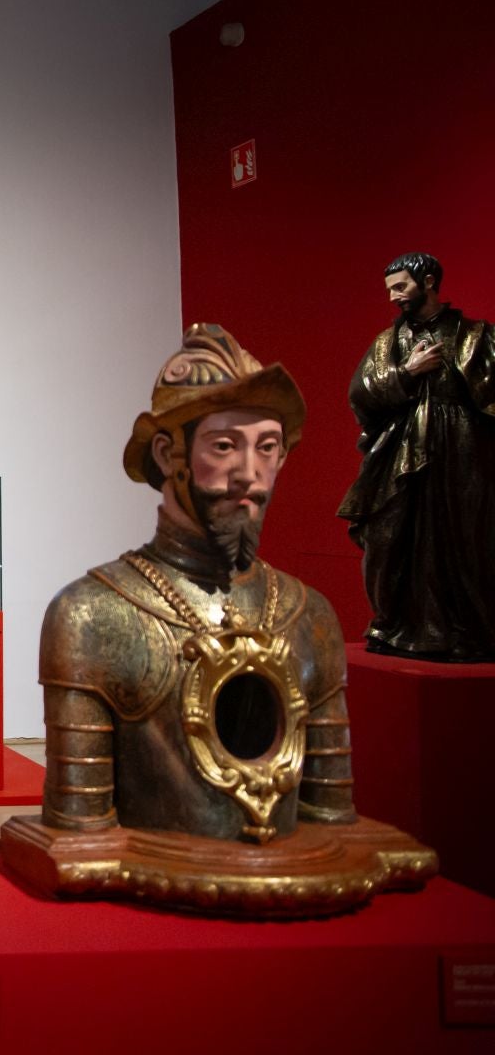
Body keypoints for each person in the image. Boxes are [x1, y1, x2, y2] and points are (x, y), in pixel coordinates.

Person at [40, 323, 354, 842]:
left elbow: (331, 822)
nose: (249, 474)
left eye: (268, 447)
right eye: (225, 446)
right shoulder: (92, 614)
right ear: (168, 455)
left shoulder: (310, 616)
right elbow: (81, 833)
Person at [336, 252, 495, 662]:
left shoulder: (475, 334)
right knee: (389, 537)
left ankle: (466, 632)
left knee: (464, 539)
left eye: (401, 286)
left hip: (462, 450)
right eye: (390, 289)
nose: (393, 297)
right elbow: (360, 393)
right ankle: (396, 625)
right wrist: (407, 372)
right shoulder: (388, 343)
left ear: (427, 282)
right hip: (401, 449)